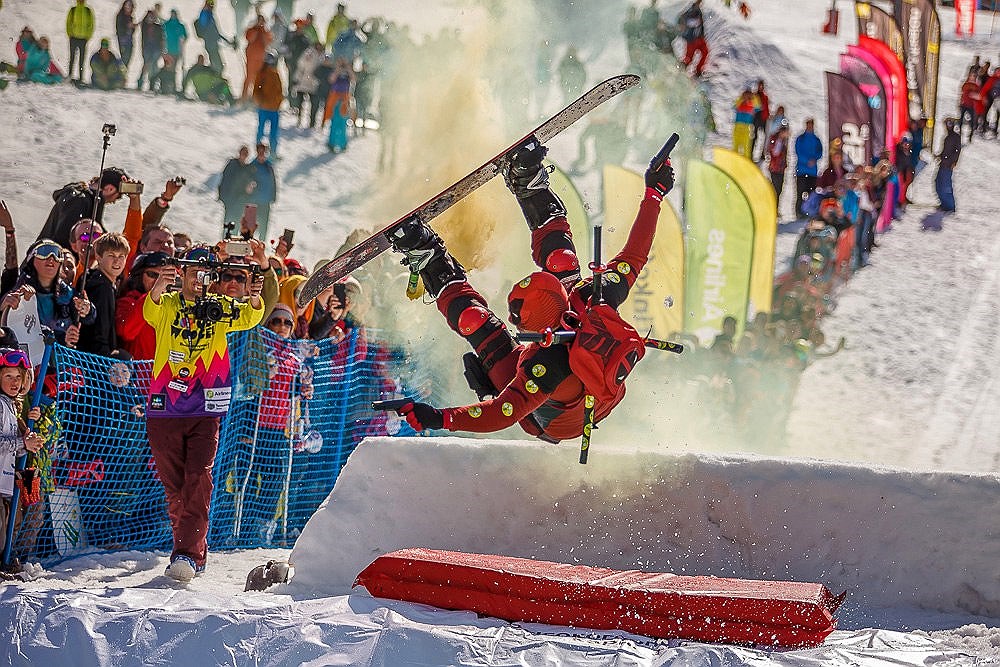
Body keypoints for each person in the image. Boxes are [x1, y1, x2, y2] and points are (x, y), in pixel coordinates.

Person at [382, 137, 675, 442]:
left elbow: (502, 413)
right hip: (584, 389)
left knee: (474, 321)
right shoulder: (593, 299)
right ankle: (530, 182)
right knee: (562, 261)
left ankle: (427, 257)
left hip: (552, 422)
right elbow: (634, 256)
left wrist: (441, 418)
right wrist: (654, 192)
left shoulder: (546, 365)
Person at [143, 246, 264, 581]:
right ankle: (194, 550)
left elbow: (251, 316)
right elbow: (149, 312)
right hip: (165, 405)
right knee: (175, 487)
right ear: (181, 273)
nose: (201, 278)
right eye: (194, 270)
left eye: (208, 272)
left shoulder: (221, 307)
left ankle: (185, 554)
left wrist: (255, 294)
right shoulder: (168, 304)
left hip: (207, 404)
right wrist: (158, 286)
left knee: (200, 477)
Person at [1, 240, 95, 348]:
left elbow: (90, 319)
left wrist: (87, 310)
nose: (51, 258)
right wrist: (4, 308)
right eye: (44, 251)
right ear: (32, 259)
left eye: (56, 254)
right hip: (26, 357)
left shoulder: (68, 293)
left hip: (60, 359)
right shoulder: (20, 289)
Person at [0, 349, 44, 554]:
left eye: (19, 377)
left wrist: (31, 437)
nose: (15, 382)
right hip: (6, 479)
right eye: (8, 376)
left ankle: (14, 557)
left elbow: (20, 446)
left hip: (16, 477)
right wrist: (23, 443)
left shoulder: (15, 405)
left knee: (18, 522)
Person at [39, 167, 129, 250]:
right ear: (110, 189)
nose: (114, 201)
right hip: (50, 261)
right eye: (118, 196)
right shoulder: (79, 201)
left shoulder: (85, 199)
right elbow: (64, 239)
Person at [77, 232, 130, 356]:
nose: (117, 261)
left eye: (121, 256)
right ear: (99, 257)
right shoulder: (103, 287)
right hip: (95, 358)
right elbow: (101, 331)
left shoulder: (93, 278)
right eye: (111, 255)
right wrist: (107, 357)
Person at [253, 51, 284, 157]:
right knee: (263, 130)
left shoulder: (275, 74)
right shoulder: (262, 74)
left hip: (273, 108)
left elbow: (280, 90)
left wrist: (279, 101)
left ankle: (273, 153)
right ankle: (259, 151)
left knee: (272, 133)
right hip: (265, 108)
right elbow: (256, 90)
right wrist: (261, 101)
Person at [218, 145, 253, 234]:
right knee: (228, 222)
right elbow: (225, 181)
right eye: (243, 153)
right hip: (230, 199)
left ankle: (233, 243)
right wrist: (223, 196)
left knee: (237, 222)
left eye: (246, 154)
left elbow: (249, 183)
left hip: (240, 201)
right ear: (239, 153)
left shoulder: (247, 168)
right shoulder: (232, 165)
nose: (244, 155)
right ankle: (225, 243)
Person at [794, 118, 823, 218]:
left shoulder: (816, 139)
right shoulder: (800, 138)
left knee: (811, 193)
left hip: (812, 172)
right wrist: (807, 161)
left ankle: (809, 211)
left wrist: (814, 159)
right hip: (802, 171)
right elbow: (798, 152)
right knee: (800, 192)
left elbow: (820, 152)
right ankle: (798, 211)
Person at [247, 143, 277, 239]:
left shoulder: (268, 165)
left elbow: (273, 181)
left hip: (265, 201)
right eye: (259, 151)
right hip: (253, 201)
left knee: (263, 226)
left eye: (263, 151)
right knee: (250, 227)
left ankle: (261, 247)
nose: (261, 153)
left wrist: (273, 196)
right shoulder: (252, 165)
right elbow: (247, 181)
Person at [195, 0, 232, 75]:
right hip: (210, 44)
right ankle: (215, 81)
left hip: (212, 44)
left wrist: (228, 42)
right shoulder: (205, 14)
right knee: (218, 67)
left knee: (217, 66)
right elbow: (209, 30)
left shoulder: (209, 14)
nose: (213, 6)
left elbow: (216, 33)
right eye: (211, 4)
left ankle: (214, 80)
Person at [242, 13, 272, 101]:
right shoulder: (252, 29)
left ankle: (255, 98)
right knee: (249, 78)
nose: (261, 23)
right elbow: (249, 38)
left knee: (258, 79)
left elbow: (269, 40)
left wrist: (263, 32)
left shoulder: (265, 31)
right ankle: (244, 97)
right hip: (251, 57)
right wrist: (256, 30)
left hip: (260, 58)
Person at [136, 4, 165, 91]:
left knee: (154, 66)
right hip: (147, 48)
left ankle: (152, 84)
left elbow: (162, 38)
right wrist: (150, 12)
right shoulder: (145, 25)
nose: (150, 19)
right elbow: (142, 21)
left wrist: (162, 49)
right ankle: (141, 82)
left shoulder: (158, 26)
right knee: (146, 64)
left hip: (156, 49)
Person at [935, 117, 961, 213]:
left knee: (945, 186)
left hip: (948, 165)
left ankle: (950, 206)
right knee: (938, 183)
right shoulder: (947, 137)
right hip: (943, 164)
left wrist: (954, 161)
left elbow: (957, 151)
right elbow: (946, 151)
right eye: (946, 124)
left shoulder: (955, 137)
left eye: (949, 124)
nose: (947, 126)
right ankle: (944, 204)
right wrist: (940, 156)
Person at [66, 0, 95, 83]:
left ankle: (81, 77)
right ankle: (70, 76)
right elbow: (68, 23)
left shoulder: (88, 11)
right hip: (74, 38)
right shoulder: (73, 10)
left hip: (83, 39)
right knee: (72, 58)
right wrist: (70, 35)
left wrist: (87, 37)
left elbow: (91, 25)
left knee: (82, 59)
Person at [767, 119, 790, 216]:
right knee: (775, 189)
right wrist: (779, 140)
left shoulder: (785, 141)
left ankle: (775, 208)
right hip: (774, 168)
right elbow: (775, 152)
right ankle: (772, 209)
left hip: (781, 169)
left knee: (779, 190)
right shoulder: (774, 139)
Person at [679, 0, 708, 77]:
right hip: (692, 39)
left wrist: (702, 34)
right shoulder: (692, 9)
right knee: (689, 57)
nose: (700, 2)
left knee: (705, 52)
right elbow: (685, 19)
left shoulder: (698, 9)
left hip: (699, 38)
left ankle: (698, 70)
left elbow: (699, 25)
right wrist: (694, 23)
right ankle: (680, 70)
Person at [732, 88, 757, 158]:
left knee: (746, 147)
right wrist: (742, 98)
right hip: (738, 125)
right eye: (745, 95)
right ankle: (734, 161)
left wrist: (752, 97)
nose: (746, 97)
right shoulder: (740, 103)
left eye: (748, 95)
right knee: (736, 145)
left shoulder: (752, 103)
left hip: (747, 127)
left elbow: (759, 106)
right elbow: (734, 106)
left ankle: (746, 162)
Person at [751, 80, 770, 162]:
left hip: (764, 118)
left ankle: (762, 153)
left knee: (765, 137)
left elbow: (766, 107)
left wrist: (768, 115)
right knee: (755, 137)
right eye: (759, 86)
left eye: (762, 86)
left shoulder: (765, 96)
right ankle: (751, 153)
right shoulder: (754, 96)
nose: (761, 87)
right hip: (757, 118)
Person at [115, 0, 137, 70]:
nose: (128, 8)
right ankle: (120, 72)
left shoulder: (130, 17)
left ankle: (124, 72)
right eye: (127, 6)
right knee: (124, 57)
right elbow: (119, 28)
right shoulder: (120, 16)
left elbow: (132, 31)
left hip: (129, 40)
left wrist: (133, 27)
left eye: (130, 6)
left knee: (129, 57)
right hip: (122, 40)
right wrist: (128, 26)